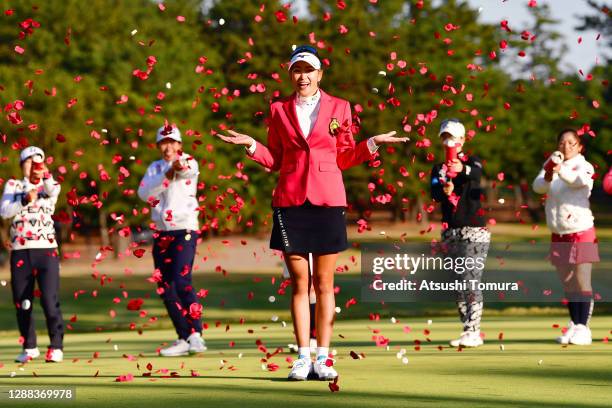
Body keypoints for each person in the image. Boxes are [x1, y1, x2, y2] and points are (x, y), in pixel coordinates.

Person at [218, 45, 408, 380]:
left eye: (309, 70)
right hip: (290, 201)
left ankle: (323, 357)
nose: (302, 76)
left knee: (323, 282)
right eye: (297, 70)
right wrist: (251, 145)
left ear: (320, 74)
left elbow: (345, 156)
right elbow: (276, 159)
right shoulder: (278, 109)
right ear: (290, 74)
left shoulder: (340, 107)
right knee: (299, 282)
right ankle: (302, 357)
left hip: (327, 200)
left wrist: (373, 143)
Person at [137, 124, 206, 356]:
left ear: (179, 145)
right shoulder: (155, 168)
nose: (168, 147)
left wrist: (177, 168)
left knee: (181, 280)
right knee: (165, 287)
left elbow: (187, 171)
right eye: (163, 143)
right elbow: (145, 194)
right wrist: (166, 176)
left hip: (184, 229)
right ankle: (183, 336)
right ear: (158, 146)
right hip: (161, 232)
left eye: (172, 142)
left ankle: (196, 334)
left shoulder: (189, 161)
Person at [533, 128, 599, 345]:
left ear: (579, 146)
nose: (566, 146)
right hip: (558, 232)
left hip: (581, 230)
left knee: (582, 280)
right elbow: (538, 187)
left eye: (571, 143)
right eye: (562, 142)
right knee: (568, 282)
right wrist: (550, 172)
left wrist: (558, 169)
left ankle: (584, 327)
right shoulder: (552, 164)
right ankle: (574, 323)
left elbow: (577, 181)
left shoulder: (585, 166)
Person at [1, 146, 64, 363]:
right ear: (22, 165)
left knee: (49, 299)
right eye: (29, 162)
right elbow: (4, 211)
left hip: (45, 250)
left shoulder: (50, 184)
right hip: (20, 251)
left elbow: (54, 190)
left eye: (38, 162)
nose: (33, 166)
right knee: (22, 300)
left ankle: (56, 346)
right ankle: (29, 346)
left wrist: (44, 175)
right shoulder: (13, 185)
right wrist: (24, 199)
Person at [430, 119, 490, 348]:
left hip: (474, 229)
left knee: (470, 279)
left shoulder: (472, 161)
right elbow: (434, 193)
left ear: (463, 139)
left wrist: (461, 169)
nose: (449, 141)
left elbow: (477, 175)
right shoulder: (437, 168)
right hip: (450, 229)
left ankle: (473, 330)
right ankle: (467, 328)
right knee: (457, 283)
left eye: (453, 137)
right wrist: (444, 190)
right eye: (445, 136)